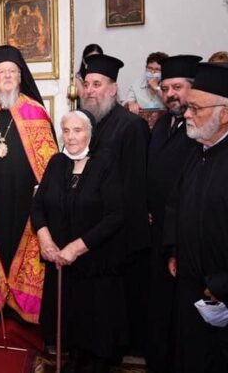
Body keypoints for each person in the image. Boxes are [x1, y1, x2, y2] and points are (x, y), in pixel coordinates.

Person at [163, 62, 228, 372]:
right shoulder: (200, 148)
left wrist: (224, 284)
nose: (186, 114)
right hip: (191, 285)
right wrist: (174, 249)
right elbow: (177, 202)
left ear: (224, 114)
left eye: (195, 108)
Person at [0, 45, 57, 324]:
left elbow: (49, 162)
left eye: (12, 72)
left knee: (22, 244)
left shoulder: (36, 112)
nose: (7, 76)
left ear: (20, 76)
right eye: (1, 72)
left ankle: (20, 303)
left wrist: (43, 193)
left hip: (26, 199)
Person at [32, 110, 126, 372]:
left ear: (90, 134)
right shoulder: (56, 162)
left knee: (95, 335)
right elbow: (37, 207)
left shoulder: (106, 163)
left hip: (95, 263)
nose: (71, 137)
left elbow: (115, 216)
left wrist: (75, 248)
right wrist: (45, 239)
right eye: (66, 131)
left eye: (78, 130)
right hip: (61, 263)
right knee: (69, 330)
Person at [80, 54, 150, 355]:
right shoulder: (87, 124)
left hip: (118, 235)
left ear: (113, 89)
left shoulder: (131, 126)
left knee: (115, 306)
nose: (90, 91)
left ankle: (110, 355)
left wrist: (125, 239)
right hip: (91, 231)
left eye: (97, 84)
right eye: (86, 85)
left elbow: (135, 187)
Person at [146, 54, 201, 373]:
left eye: (177, 87)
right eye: (165, 88)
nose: (170, 95)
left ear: (193, 88)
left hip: (184, 235)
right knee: (159, 307)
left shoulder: (199, 128)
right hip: (157, 231)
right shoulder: (162, 124)